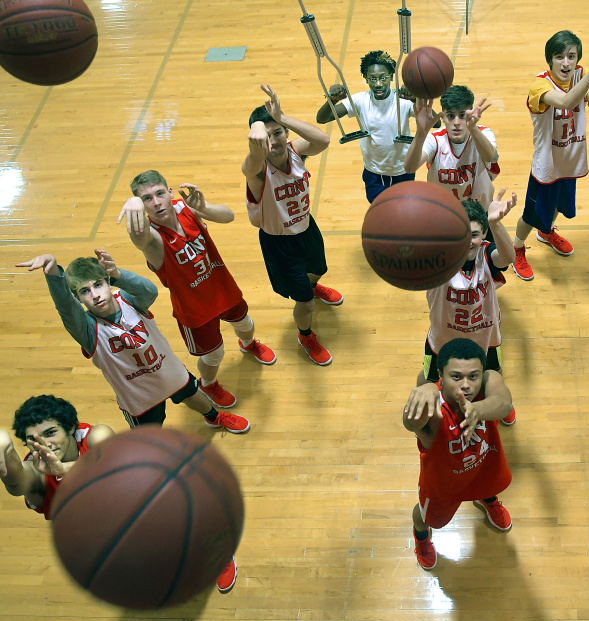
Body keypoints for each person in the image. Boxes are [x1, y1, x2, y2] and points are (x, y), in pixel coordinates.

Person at [0, 394, 239, 593]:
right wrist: (4, 448)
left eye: (51, 433)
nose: (45, 444)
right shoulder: (36, 471)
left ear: (70, 427)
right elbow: (16, 482)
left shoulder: (96, 435)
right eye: (33, 439)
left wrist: (63, 470)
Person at [16, 251, 249, 433]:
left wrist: (118, 273)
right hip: (138, 395)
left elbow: (150, 291)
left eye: (98, 285)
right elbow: (66, 308)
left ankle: (214, 417)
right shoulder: (86, 329)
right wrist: (54, 275)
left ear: (108, 283)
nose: (94, 294)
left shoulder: (128, 300)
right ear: (78, 299)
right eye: (84, 291)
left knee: (192, 394)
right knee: (148, 438)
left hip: (168, 371)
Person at [117, 171, 277, 409]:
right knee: (215, 354)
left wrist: (203, 208)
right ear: (142, 206)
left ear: (170, 192)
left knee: (246, 324)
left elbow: (229, 216)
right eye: (147, 199)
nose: (156, 202)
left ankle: (248, 344)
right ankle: (208, 384)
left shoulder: (185, 207)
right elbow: (139, 238)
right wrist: (133, 205)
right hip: (194, 309)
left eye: (159, 193)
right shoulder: (152, 238)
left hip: (222, 289)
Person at [244, 84, 341, 366]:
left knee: (318, 270)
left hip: (306, 228)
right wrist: (257, 136)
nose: (273, 141)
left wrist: (282, 117)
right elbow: (250, 165)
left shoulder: (295, 150)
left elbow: (323, 140)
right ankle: (305, 336)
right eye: (266, 136)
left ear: (286, 133)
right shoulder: (257, 170)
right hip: (279, 242)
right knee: (305, 303)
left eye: (278, 133)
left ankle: (312, 286)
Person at [510, 31, 589, 281]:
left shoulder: (580, 76)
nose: (566, 62)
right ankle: (517, 247)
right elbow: (568, 102)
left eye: (571, 56)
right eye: (559, 57)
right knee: (531, 215)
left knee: (559, 205)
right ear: (550, 60)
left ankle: (546, 232)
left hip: (570, 162)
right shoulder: (540, 85)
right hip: (546, 166)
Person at [402, 338, 515, 570]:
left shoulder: (488, 383)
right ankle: (421, 537)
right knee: (424, 517)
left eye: (473, 376)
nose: (466, 385)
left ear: (482, 374)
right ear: (441, 376)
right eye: (456, 377)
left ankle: (487, 500)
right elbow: (410, 423)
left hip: (482, 469)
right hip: (444, 486)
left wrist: (477, 410)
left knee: (487, 488)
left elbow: (504, 403)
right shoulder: (435, 409)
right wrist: (426, 389)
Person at [421, 191, 517, 425]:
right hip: (444, 338)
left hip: (484, 335)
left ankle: (497, 400)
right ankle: (424, 407)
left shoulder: (486, 254)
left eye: (474, 234)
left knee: (493, 373)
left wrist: (495, 223)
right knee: (429, 378)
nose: (467, 240)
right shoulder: (438, 257)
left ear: (483, 234)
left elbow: (508, 257)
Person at [315, 50, 420, 202]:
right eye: (372, 79)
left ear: (391, 77)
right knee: (378, 210)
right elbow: (322, 118)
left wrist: (416, 99)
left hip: (402, 170)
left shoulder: (403, 99)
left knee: (404, 210)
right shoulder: (360, 100)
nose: (378, 84)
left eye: (383, 78)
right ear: (366, 78)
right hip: (374, 172)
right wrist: (332, 99)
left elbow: (435, 122)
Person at [404, 85, 499, 208]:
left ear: (471, 114)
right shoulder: (435, 140)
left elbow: (491, 157)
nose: (457, 122)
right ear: (443, 117)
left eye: (462, 115)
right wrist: (420, 133)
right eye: (450, 116)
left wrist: (472, 128)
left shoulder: (483, 133)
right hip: (444, 211)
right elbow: (409, 168)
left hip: (478, 212)